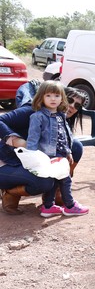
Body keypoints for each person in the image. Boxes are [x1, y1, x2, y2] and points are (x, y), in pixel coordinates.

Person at [1, 86, 86, 215]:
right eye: (70, 100)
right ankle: (9, 192)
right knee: (44, 181)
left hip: (31, 161)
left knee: (75, 147)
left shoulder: (58, 118)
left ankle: (54, 196)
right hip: (8, 162)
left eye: (78, 105)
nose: (73, 106)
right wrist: (15, 140)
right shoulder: (31, 111)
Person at [26, 81, 89, 217]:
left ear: (61, 98)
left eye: (56, 96)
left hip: (60, 155)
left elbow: (66, 136)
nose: (53, 99)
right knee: (65, 179)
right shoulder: (37, 117)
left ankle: (48, 206)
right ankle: (70, 205)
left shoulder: (60, 117)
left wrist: (68, 151)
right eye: (48, 95)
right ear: (41, 97)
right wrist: (33, 158)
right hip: (47, 156)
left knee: (55, 180)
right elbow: (32, 139)